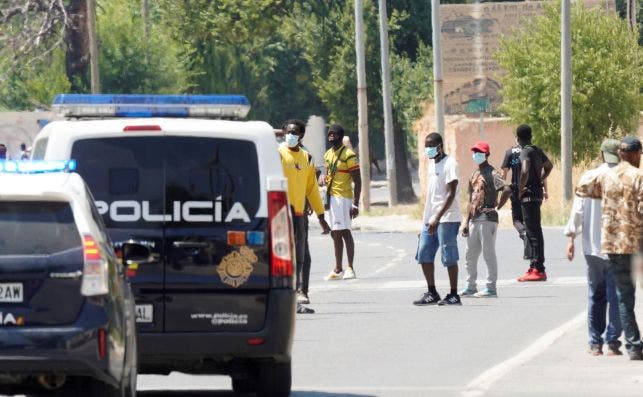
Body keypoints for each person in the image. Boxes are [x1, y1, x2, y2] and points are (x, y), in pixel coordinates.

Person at [576, 136, 643, 360]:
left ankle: (634, 346)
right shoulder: (638, 176)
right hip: (636, 244)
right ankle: (631, 344)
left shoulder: (605, 176)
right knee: (626, 296)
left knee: (624, 296)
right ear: (633, 154)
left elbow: (582, 187)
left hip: (614, 245)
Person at [565, 139, 623, 356]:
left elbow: (578, 211)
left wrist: (571, 238)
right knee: (616, 297)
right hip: (618, 248)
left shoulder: (589, 177)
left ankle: (594, 343)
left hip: (592, 248)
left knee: (595, 295)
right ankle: (613, 342)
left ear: (601, 155)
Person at [278, 120, 331, 314]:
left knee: (299, 256)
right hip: (279, 214)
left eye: (295, 133)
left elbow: (312, 190)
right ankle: (283, 299)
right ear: (283, 132)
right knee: (282, 257)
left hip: (299, 214)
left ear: (300, 136)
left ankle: (296, 297)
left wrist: (322, 216)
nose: (291, 135)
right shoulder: (277, 154)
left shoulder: (307, 158)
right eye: (288, 132)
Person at [413, 132, 463, 306]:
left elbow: (451, 194)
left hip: (448, 218)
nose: (428, 150)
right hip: (430, 218)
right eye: (426, 147)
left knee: (449, 256)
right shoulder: (431, 165)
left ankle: (454, 294)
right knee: (424, 253)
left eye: (431, 146)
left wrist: (438, 218)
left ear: (440, 146)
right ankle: (432, 292)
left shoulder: (450, 164)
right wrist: (427, 220)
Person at [460, 141, 511, 298]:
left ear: (487, 155)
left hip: (487, 218)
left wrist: (498, 206)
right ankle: (470, 286)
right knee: (470, 255)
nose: (476, 155)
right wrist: (465, 221)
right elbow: (471, 200)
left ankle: (491, 287)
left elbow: (507, 189)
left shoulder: (493, 174)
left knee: (488, 254)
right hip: (474, 219)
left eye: (480, 152)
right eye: (475, 152)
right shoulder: (474, 174)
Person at [322, 124, 361, 280]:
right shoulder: (327, 155)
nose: (331, 136)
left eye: (335, 133)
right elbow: (329, 175)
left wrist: (355, 204)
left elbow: (358, 181)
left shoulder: (349, 154)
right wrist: (322, 179)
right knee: (335, 233)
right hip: (331, 198)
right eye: (330, 133)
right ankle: (338, 268)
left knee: (345, 232)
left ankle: (350, 268)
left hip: (343, 197)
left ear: (341, 136)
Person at [514, 124, 553, 282]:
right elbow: (549, 166)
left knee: (533, 232)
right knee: (534, 231)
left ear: (518, 138)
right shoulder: (537, 150)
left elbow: (524, 170)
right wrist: (540, 179)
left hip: (529, 195)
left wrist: (521, 189)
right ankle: (534, 266)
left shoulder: (525, 151)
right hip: (537, 195)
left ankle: (538, 268)